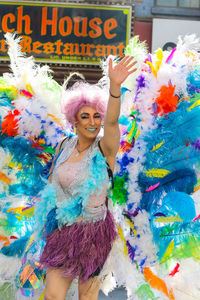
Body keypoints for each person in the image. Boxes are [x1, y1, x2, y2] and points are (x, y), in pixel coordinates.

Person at [39, 56, 137, 300]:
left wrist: (115, 88)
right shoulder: (64, 145)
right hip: (60, 231)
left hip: (93, 235)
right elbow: (51, 186)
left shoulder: (105, 148)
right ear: (74, 120)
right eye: (85, 116)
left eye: (96, 116)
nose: (93, 122)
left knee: (87, 296)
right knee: (52, 295)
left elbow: (112, 121)